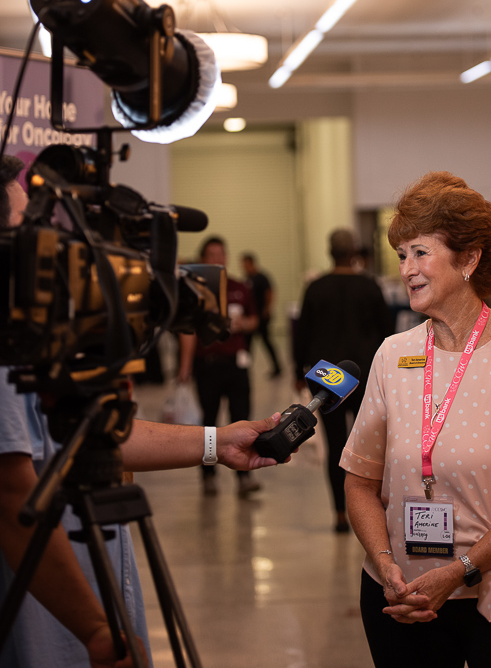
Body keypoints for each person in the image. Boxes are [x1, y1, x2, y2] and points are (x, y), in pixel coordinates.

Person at [0, 156, 284, 668]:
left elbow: (95, 434)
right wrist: (96, 631)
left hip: (91, 613)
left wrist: (218, 443)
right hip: (54, 629)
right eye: (25, 230)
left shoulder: (34, 339)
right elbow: (12, 495)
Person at [341, 171, 491, 668]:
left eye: (420, 252)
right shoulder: (393, 355)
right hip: (404, 600)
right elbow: (360, 480)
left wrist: (461, 570)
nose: (407, 269)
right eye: (401, 255)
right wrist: (385, 565)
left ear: (469, 258)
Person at [294, 228, 393, 533]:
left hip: (326, 376)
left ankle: (340, 514)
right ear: (354, 253)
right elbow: (387, 332)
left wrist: (297, 370)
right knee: (371, 444)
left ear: (330, 252)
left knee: (336, 443)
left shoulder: (316, 288)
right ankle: (372, 510)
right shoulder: (370, 286)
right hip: (365, 374)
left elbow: (302, 332)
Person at [178, 237, 259, 497]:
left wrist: (244, 324)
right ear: (202, 258)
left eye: (221, 254)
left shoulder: (239, 287)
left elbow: (255, 319)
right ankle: (209, 476)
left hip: (236, 364)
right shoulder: (195, 291)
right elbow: (188, 331)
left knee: (242, 420)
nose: (217, 259)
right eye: (211, 254)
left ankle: (244, 477)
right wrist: (184, 367)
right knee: (209, 424)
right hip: (207, 366)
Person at [241, 253, 281, 378]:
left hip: (261, 316)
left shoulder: (262, 277)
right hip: (251, 317)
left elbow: (270, 292)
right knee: (247, 344)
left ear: (252, 263)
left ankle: (277, 368)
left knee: (266, 342)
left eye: (246, 264)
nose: (244, 267)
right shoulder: (247, 279)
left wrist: (267, 309)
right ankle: (244, 367)